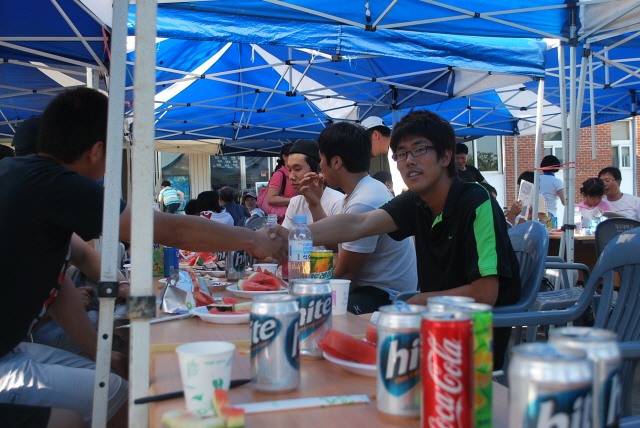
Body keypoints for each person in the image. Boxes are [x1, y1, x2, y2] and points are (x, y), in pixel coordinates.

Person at [0, 88, 286, 426]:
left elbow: (56, 283)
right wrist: (251, 239)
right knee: (111, 395)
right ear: (97, 151)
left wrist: (100, 352)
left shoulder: (19, 175)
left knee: (119, 366)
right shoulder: (59, 185)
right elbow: (168, 229)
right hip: (9, 359)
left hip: (12, 348)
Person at [295, 110, 520, 369]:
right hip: (428, 327)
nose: (408, 161)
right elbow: (359, 223)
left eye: (419, 150)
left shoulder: (476, 201)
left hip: (474, 345)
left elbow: (484, 294)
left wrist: (417, 301)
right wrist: (294, 235)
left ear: (446, 156)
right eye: (401, 154)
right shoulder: (416, 201)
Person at [311, 122, 418, 314]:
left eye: (321, 158)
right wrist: (314, 204)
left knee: (313, 310)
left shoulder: (364, 201)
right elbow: (335, 246)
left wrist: (306, 294)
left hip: (387, 298)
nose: (319, 166)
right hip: (373, 291)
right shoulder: (361, 191)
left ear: (336, 162)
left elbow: (347, 275)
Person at [282, 139, 343, 229]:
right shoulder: (295, 202)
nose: (291, 176)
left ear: (319, 169)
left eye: (297, 169)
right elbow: (286, 235)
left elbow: (335, 238)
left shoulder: (338, 202)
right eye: (289, 170)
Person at [266, 143, 297, 210]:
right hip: (285, 215)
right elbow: (271, 199)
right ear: (284, 157)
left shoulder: (298, 173)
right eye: (293, 155)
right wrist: (295, 200)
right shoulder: (279, 174)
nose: (297, 158)